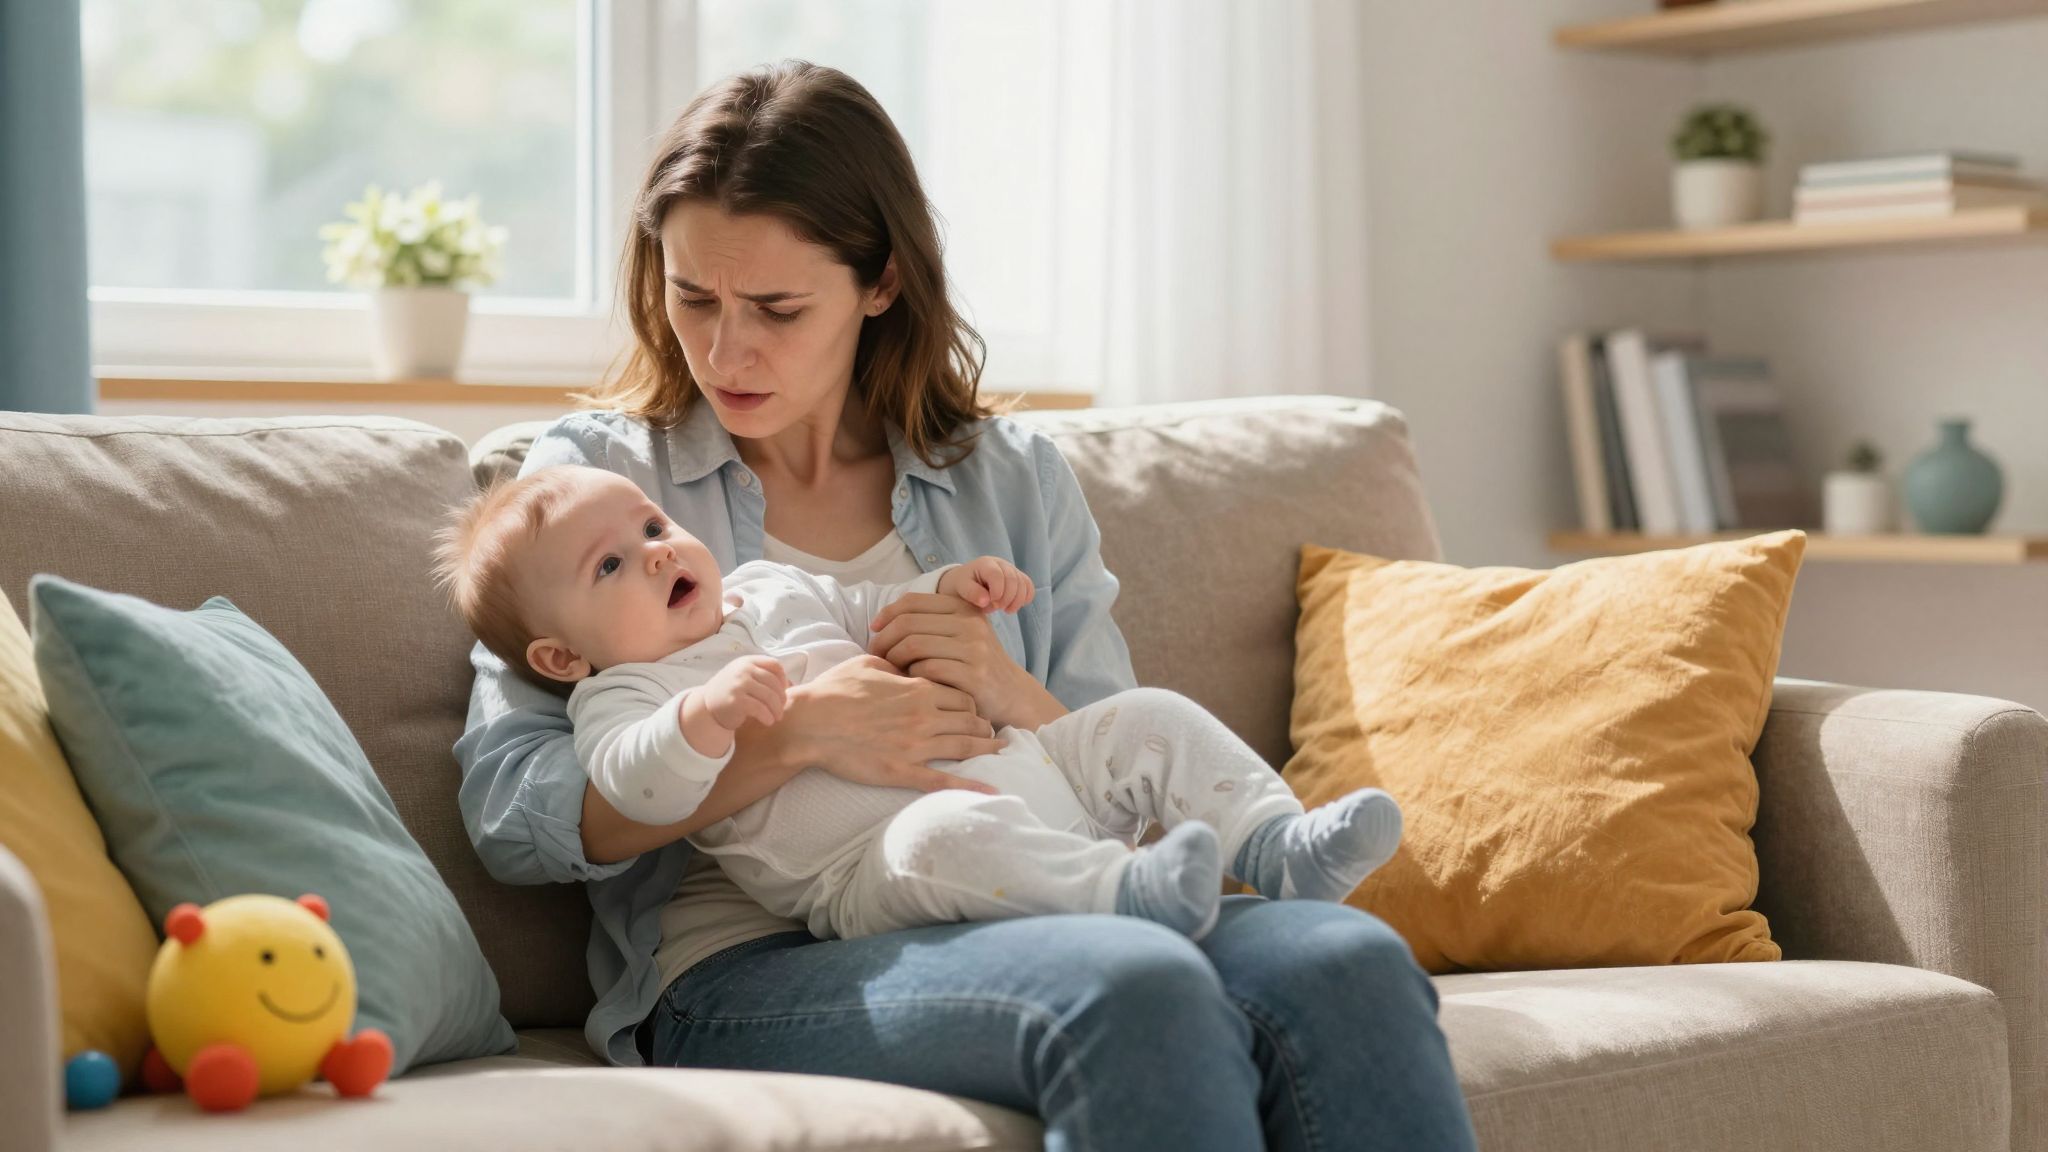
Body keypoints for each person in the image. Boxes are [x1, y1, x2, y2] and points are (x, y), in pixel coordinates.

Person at [454, 59, 1478, 1151]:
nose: (723, 349)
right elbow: (514, 814)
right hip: (748, 957)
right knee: (1130, 986)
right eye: (692, 296)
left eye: (776, 308)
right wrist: (794, 737)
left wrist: (1003, 690)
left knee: (1346, 960)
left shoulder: (1008, 479)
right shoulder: (597, 491)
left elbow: (1117, 776)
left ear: (880, 282)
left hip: (1035, 879)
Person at [439, 464, 1405, 944]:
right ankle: (1127, 896)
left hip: (1030, 768)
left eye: (652, 525)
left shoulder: (765, 588)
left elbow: (875, 611)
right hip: (867, 869)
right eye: (612, 564)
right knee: (938, 835)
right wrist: (713, 720)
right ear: (562, 654)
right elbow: (635, 788)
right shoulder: (626, 697)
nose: (657, 551)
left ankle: (1277, 843)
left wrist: (956, 589)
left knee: (1149, 715)